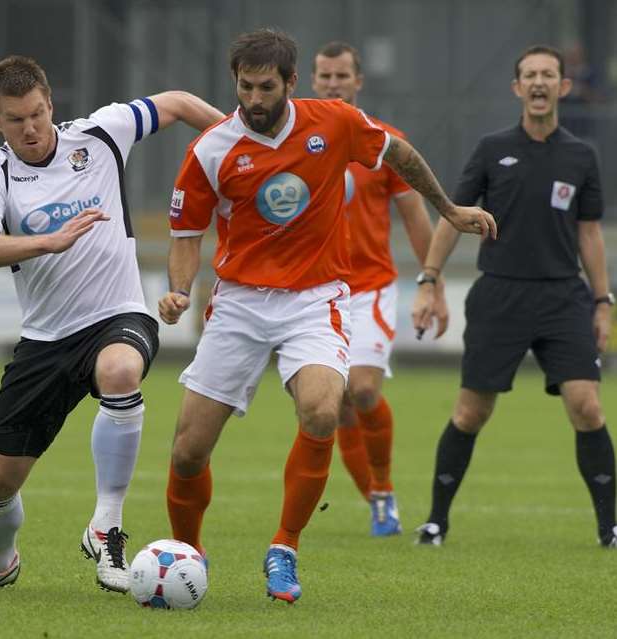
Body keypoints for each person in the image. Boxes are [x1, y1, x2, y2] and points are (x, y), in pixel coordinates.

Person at [159, 28, 495, 603]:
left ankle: (284, 548)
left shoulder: (334, 122)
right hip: (238, 301)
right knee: (189, 449)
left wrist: (451, 209)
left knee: (321, 409)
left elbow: (400, 156)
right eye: (245, 87)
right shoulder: (211, 149)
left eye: (267, 87)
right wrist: (180, 290)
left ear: (291, 83)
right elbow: (186, 234)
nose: (254, 99)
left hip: (316, 299)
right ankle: (188, 556)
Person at [0, 55, 224, 593]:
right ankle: (0, 562)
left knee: (120, 373)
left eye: (39, 113)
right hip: (45, 340)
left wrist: (236, 140)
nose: (32, 128)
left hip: (118, 313)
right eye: (16, 119)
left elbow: (179, 103)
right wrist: (49, 240)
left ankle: (105, 525)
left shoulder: (100, 134)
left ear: (51, 103)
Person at [412, 45, 614, 548]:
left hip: (563, 297)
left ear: (563, 87)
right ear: (517, 88)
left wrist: (602, 301)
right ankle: (436, 522)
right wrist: (429, 279)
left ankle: (609, 528)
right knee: (471, 412)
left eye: (549, 74)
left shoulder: (581, 155)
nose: (540, 82)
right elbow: (453, 215)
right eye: (530, 75)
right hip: (499, 295)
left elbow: (589, 233)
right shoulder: (491, 148)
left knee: (587, 406)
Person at [309, 41, 448, 536]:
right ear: (312, 80)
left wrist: (433, 284)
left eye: (341, 76)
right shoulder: (299, 141)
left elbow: (414, 215)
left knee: (364, 388)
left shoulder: (384, 142)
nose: (332, 84)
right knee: (336, 402)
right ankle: (375, 500)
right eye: (324, 76)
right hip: (316, 290)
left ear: (358, 82)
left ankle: (384, 488)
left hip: (369, 288)